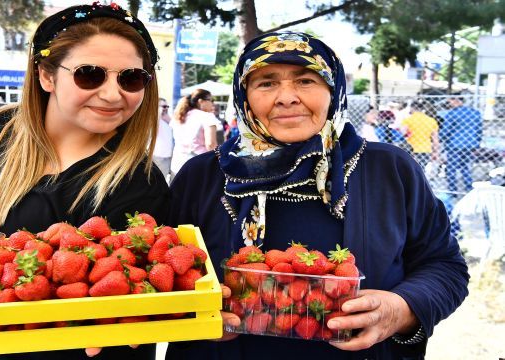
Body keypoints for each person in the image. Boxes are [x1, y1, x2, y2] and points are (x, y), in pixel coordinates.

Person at [166, 30, 469, 360]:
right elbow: (161, 272)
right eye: (266, 82)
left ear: (333, 89)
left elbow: (444, 265)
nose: (287, 97)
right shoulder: (202, 176)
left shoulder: (390, 169)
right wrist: (193, 314)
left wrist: (400, 310)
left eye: (305, 80)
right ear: (244, 96)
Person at [0, 3, 168, 360]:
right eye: (90, 74)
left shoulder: (141, 181)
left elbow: (137, 280)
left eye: (131, 78)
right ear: (46, 75)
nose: (114, 94)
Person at [169, 89, 220, 179]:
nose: (213, 104)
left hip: (177, 163)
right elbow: (211, 144)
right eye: (211, 100)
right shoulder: (207, 116)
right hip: (198, 164)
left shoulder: (179, 116)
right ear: (200, 101)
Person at [439, 96, 483, 194]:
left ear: (456, 100)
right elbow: (479, 130)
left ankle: (452, 190)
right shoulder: (475, 113)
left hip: (454, 145)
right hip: (470, 144)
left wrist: (440, 139)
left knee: (451, 167)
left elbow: (446, 130)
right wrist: (477, 144)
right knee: (465, 166)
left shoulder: (452, 114)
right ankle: (468, 188)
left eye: (450, 101)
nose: (449, 104)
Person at [400, 102, 439, 168]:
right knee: (421, 169)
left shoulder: (408, 120)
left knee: (410, 168)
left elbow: (403, 133)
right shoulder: (431, 121)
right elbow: (435, 139)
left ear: (412, 108)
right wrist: (435, 152)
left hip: (411, 148)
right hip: (426, 149)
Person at [153, 97, 173, 182]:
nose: (166, 108)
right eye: (163, 106)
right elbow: (155, 130)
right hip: (158, 156)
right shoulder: (153, 119)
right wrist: (158, 112)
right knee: (157, 181)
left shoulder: (167, 119)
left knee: (163, 180)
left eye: (167, 106)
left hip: (168, 156)